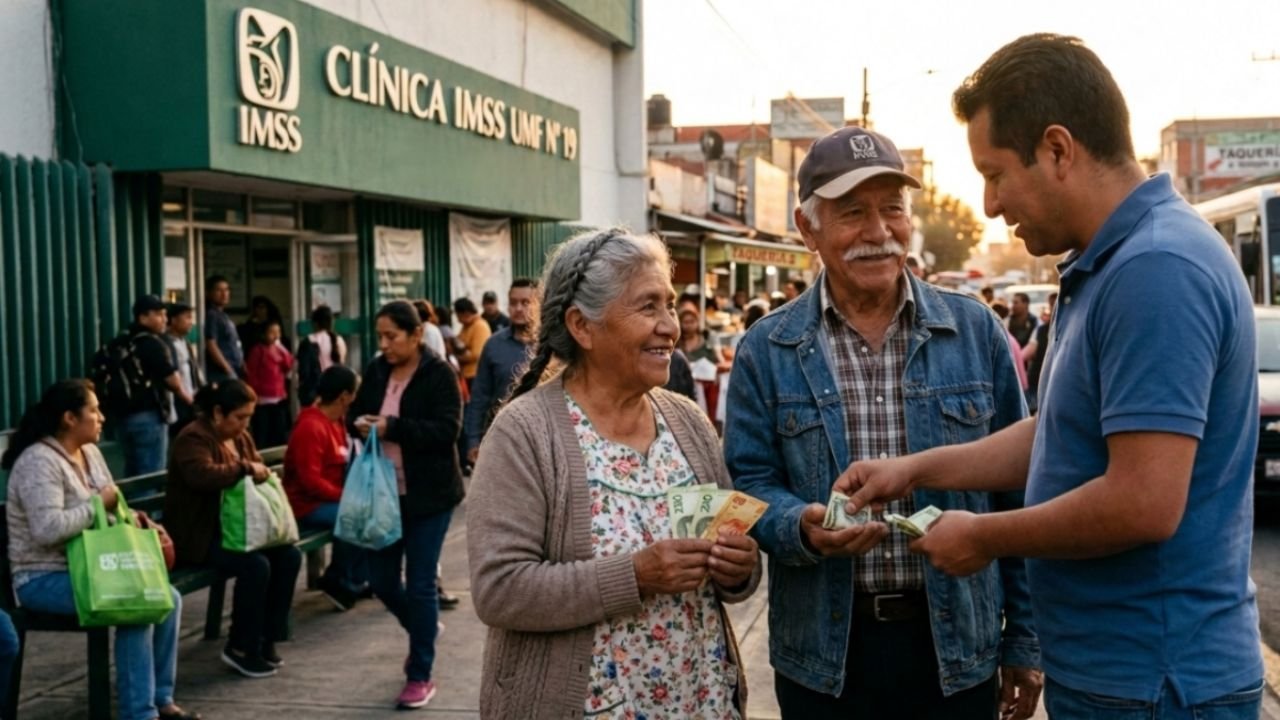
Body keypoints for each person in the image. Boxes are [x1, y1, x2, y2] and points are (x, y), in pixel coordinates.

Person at [840, 33, 1263, 718]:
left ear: (1058, 149)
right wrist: (914, 469)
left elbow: (1143, 501)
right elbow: (1063, 432)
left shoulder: (1155, 270)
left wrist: (982, 537)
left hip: (1155, 684)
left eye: (996, 173)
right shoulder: (1112, 262)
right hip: (1119, 676)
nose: (988, 205)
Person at [724, 124, 1040, 720]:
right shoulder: (766, 349)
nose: (878, 233)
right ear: (806, 227)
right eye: (852, 213)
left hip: (957, 651)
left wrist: (1024, 641)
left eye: (892, 209)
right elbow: (748, 487)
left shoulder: (974, 332)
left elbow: (1017, 494)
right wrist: (801, 527)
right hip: (825, 660)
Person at [467, 227, 761, 719]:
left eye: (669, 305)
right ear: (582, 326)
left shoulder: (685, 419)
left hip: (698, 701)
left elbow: (731, 563)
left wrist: (739, 567)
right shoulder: (524, 433)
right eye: (648, 307)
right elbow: (500, 590)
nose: (670, 325)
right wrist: (635, 575)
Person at [4, 379, 199, 720]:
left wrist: (138, 518)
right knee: (137, 605)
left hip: (99, 565)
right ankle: (139, 713)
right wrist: (97, 505)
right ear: (69, 418)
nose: (102, 417)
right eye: (93, 410)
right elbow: (47, 530)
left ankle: (160, 697)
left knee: (167, 597)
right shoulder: (39, 462)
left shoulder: (91, 453)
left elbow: (111, 506)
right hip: (44, 577)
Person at [348, 301, 464, 710]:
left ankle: (420, 673)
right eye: (380, 337)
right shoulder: (379, 369)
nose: (385, 344)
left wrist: (392, 427)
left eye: (391, 336)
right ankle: (424, 628)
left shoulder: (438, 374)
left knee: (419, 584)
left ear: (416, 335)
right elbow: (354, 412)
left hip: (429, 496)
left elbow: (448, 430)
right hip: (383, 494)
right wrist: (360, 423)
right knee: (380, 580)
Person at [165, 381, 302, 680]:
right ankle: (241, 646)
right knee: (255, 566)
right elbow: (201, 475)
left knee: (289, 555)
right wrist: (243, 468)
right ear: (217, 412)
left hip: (240, 528)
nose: (245, 424)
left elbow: (257, 467)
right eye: (239, 417)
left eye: (248, 417)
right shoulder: (193, 438)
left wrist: (250, 467)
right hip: (201, 535)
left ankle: (268, 637)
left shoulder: (240, 438)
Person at [283, 366, 368, 611]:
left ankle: (354, 578)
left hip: (327, 498)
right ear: (344, 396)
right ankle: (338, 580)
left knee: (368, 511)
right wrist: (346, 498)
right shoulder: (311, 426)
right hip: (306, 503)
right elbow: (310, 480)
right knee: (353, 516)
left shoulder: (336, 421)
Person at [464, 279, 538, 466]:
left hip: (542, 442)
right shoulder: (493, 345)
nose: (518, 308)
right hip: (501, 441)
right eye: (513, 303)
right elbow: (480, 396)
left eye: (525, 302)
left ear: (539, 304)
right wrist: (473, 440)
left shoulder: (554, 345)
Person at [118, 295, 191, 477]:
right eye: (158, 314)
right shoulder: (152, 343)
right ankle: (149, 507)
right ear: (143, 317)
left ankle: (132, 506)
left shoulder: (123, 341)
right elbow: (173, 381)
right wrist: (189, 399)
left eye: (165, 314)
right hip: (150, 416)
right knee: (151, 475)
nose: (164, 319)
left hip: (124, 417)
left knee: (132, 475)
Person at [244, 321, 295, 449]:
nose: (276, 336)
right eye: (272, 333)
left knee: (279, 430)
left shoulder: (279, 350)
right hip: (263, 398)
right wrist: (254, 393)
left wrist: (282, 349)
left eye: (278, 333)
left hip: (278, 396)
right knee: (263, 432)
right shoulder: (258, 350)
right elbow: (252, 374)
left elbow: (289, 364)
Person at [162, 303, 204, 438]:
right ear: (173, 320)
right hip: (179, 399)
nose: (190, 323)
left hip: (191, 396)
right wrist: (185, 396)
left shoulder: (184, 342)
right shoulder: (167, 344)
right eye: (187, 318)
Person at [296, 305, 347, 407]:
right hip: (335, 393)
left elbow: (303, 372)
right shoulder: (339, 340)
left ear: (315, 323)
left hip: (314, 396)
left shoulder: (309, 341)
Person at [1021, 292, 1057, 413]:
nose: (1053, 307)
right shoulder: (1042, 329)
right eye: (1051, 304)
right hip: (1039, 380)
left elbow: (1025, 354)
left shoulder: (1040, 327)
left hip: (1043, 383)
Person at [204, 276, 244, 383]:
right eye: (219, 290)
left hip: (233, 368)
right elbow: (211, 344)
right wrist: (227, 368)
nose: (224, 294)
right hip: (221, 373)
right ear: (208, 293)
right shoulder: (212, 315)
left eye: (226, 289)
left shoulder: (222, 315)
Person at [451, 297, 491, 392]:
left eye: (458, 316)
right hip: (466, 375)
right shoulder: (466, 327)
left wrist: (456, 356)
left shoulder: (480, 326)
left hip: (475, 375)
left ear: (465, 313)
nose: (458, 320)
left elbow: (476, 354)